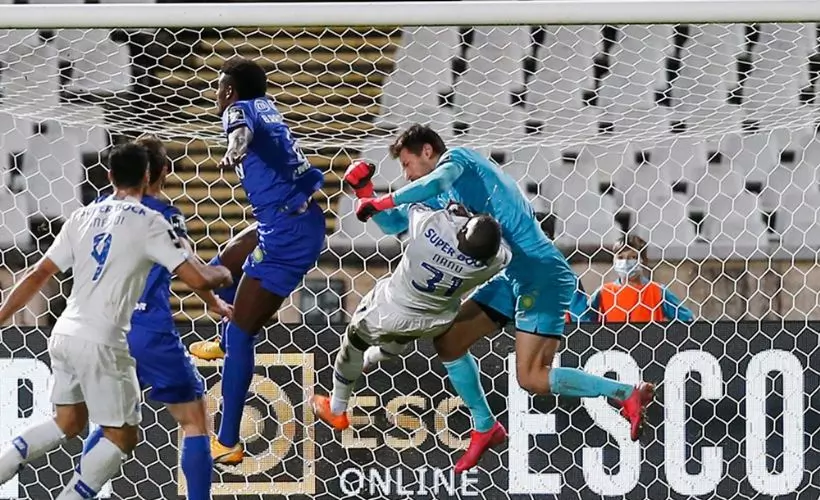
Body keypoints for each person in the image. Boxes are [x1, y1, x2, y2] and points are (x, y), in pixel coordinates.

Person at [350, 124, 655, 473]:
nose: (406, 174)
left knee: (532, 378)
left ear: (428, 152)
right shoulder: (437, 197)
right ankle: (485, 426)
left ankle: (624, 392)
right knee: (449, 340)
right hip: (510, 278)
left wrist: (383, 199)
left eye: (407, 164)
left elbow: (432, 182)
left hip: (541, 274)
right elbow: (393, 225)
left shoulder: (458, 161)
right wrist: (364, 191)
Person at [0, 143, 232, 499]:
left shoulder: (84, 214)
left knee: (71, 422)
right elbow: (195, 274)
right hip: (127, 334)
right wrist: (223, 276)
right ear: (151, 174)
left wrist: (1, 316)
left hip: (66, 332)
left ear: (109, 175)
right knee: (159, 427)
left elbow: (37, 274)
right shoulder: (156, 219)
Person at [187, 57, 326, 465]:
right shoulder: (265, 105)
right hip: (288, 218)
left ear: (229, 91)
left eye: (219, 87)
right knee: (225, 264)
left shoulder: (236, 111)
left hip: (287, 236)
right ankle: (223, 343)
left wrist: (234, 150)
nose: (216, 94)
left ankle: (228, 441)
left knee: (243, 332)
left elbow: (240, 132)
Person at [81, 135, 233, 500]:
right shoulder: (163, 214)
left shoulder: (98, 208)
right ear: (161, 171)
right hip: (148, 329)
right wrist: (215, 295)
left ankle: (80, 493)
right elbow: (190, 268)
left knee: (111, 423)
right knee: (194, 420)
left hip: (103, 329)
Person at [310, 199, 510, 473]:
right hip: (434, 322)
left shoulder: (430, 230)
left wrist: (454, 213)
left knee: (352, 344)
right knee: (401, 336)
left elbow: (416, 206)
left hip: (388, 311)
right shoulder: (491, 263)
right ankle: (372, 359)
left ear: (462, 233)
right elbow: (505, 252)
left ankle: (336, 408)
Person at [588, 235, 694, 323]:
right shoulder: (604, 292)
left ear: (643, 260)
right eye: (620, 257)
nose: (625, 262)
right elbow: (583, 319)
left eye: (633, 257)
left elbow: (688, 320)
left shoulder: (657, 291)